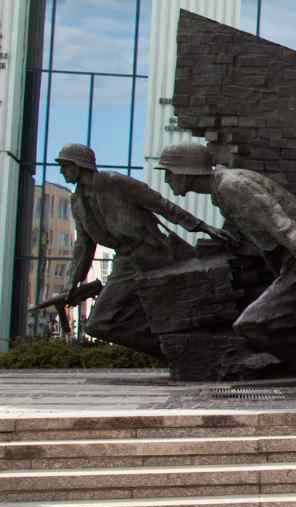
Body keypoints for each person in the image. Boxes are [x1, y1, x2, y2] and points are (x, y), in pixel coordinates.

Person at [158, 142, 296, 345]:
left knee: (251, 325)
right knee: (256, 325)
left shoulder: (232, 185)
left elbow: (283, 226)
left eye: (168, 172)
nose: (166, 179)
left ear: (185, 173)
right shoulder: (221, 188)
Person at [50, 143, 231, 352]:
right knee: (99, 324)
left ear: (79, 165)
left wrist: (201, 226)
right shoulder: (76, 202)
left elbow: (161, 204)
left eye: (65, 166)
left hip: (154, 254)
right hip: (124, 261)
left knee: (182, 309)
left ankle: (188, 348)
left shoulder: (114, 182)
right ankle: (172, 350)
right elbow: (83, 246)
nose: (61, 171)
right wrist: (71, 283)